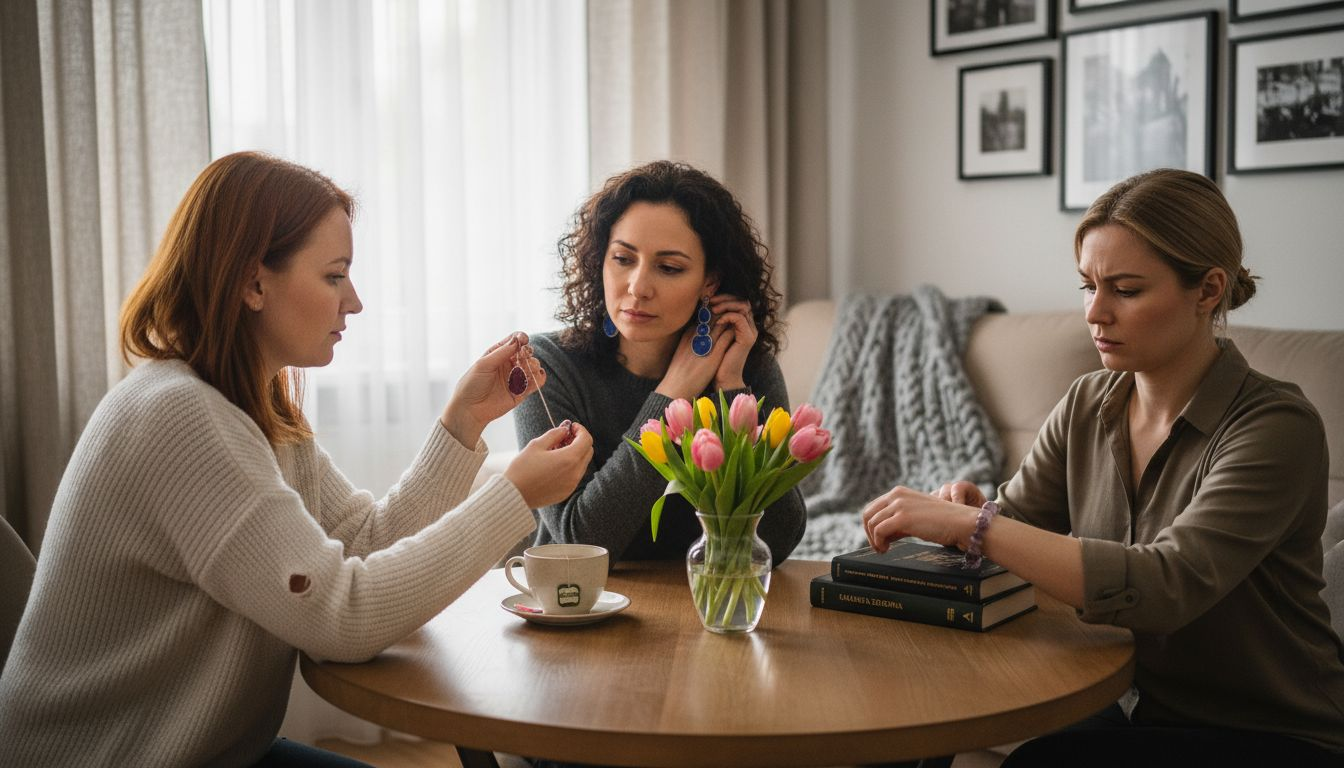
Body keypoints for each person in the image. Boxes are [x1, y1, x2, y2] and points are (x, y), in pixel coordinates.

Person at [0, 151, 593, 767]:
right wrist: (514, 497)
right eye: (335, 276)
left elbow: (363, 542)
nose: (355, 301)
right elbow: (343, 617)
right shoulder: (179, 419)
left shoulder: (255, 406)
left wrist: (463, 421)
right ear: (254, 283)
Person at [860, 168, 1344, 765]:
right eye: (1088, 286)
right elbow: (1008, 527)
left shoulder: (1275, 427)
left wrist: (975, 529)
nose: (1096, 313)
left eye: (1126, 290)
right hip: (1137, 706)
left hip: (1270, 731)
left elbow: (1164, 586)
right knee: (915, 707)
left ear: (1208, 290)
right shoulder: (1090, 402)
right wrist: (968, 513)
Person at [514, 160, 806, 563]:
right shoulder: (546, 365)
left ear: (710, 281)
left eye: (668, 268)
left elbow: (778, 539)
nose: (638, 287)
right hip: (577, 610)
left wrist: (732, 390)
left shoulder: (744, 366)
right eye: (622, 259)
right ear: (600, 260)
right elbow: (581, 541)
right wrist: (673, 394)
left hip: (701, 605)